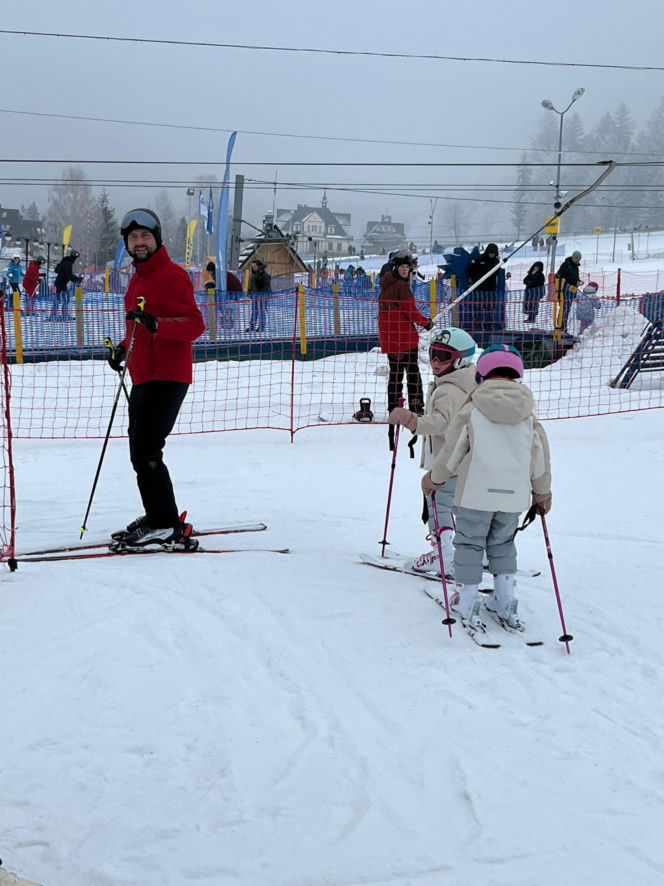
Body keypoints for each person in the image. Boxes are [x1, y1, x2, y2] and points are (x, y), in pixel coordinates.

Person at [421, 344, 552, 635]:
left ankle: (467, 600)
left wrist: (435, 479)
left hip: (474, 494)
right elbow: (539, 455)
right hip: (514, 496)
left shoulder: (472, 409)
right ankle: (504, 599)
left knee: (469, 544)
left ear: (481, 375)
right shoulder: (527, 413)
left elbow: (453, 451)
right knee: (503, 543)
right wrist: (542, 493)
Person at [107, 208, 205, 550]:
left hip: (168, 374)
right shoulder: (136, 278)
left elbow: (195, 325)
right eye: (133, 238)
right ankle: (158, 515)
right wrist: (122, 348)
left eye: (145, 236)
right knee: (141, 449)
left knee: (147, 449)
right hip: (143, 374)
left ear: (156, 238)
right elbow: (137, 325)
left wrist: (159, 326)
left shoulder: (172, 275)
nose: (139, 243)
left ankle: (164, 524)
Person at [388, 326, 477, 578]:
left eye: (444, 356)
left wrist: (410, 419)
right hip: (465, 461)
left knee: (438, 504)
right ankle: (466, 552)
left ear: (460, 358)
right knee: (459, 507)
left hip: (447, 462)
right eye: (433, 353)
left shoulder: (448, 389)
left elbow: (441, 422)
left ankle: (444, 556)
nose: (435, 362)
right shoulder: (465, 381)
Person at [378, 253, 433, 447]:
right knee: (412, 373)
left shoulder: (385, 286)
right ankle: (416, 405)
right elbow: (411, 312)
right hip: (405, 339)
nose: (404, 269)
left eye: (406, 267)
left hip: (391, 340)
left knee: (395, 374)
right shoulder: (402, 287)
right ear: (395, 268)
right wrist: (426, 323)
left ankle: (393, 407)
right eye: (401, 267)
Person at [555, 250, 583, 333]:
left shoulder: (576, 267)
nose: (577, 260)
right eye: (576, 258)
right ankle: (560, 326)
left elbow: (575, 277)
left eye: (579, 258)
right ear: (572, 257)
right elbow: (562, 277)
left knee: (566, 310)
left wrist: (578, 281)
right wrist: (574, 282)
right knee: (564, 309)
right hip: (563, 291)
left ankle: (563, 326)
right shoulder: (566, 265)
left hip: (571, 292)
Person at [52, 250, 82, 321]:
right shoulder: (68, 263)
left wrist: (76, 278)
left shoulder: (65, 262)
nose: (75, 260)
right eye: (75, 258)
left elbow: (63, 273)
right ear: (73, 257)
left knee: (60, 299)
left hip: (60, 282)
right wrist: (77, 279)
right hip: (61, 283)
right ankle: (63, 315)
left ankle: (54, 315)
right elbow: (69, 275)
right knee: (66, 299)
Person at [246, 258, 271, 332]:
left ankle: (261, 327)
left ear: (259, 266)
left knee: (261, 311)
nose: (253, 268)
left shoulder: (264, 275)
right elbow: (250, 285)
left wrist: (262, 294)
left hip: (262, 296)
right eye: (252, 266)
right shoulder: (252, 275)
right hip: (254, 295)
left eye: (254, 266)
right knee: (254, 311)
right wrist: (249, 292)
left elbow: (267, 286)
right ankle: (252, 326)